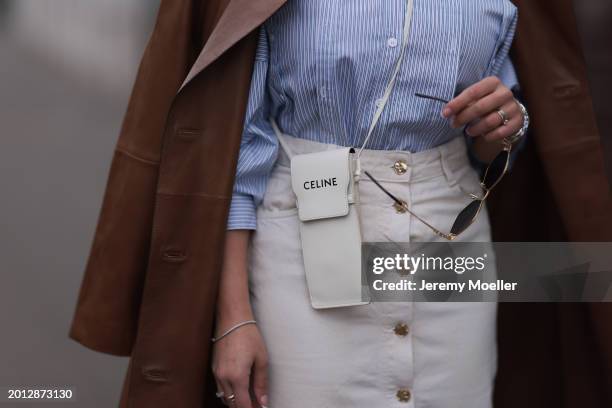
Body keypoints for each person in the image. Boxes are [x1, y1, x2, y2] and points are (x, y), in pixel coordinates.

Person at [211, 1, 528, 407]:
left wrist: (505, 122)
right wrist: (233, 316)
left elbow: (488, 148)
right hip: (300, 251)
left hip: (449, 243)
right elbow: (236, 148)